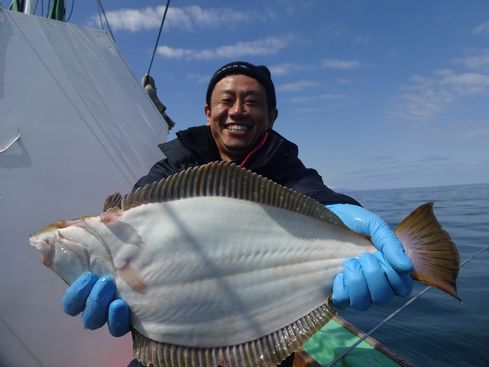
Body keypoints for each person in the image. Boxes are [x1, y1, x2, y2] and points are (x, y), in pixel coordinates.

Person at [62, 61, 413, 367]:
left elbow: (312, 193)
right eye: (226, 100)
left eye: (252, 102)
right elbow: (137, 211)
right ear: (208, 112)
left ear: (271, 116)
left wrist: (340, 213)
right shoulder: (174, 166)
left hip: (260, 351)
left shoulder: (289, 171)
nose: (237, 110)